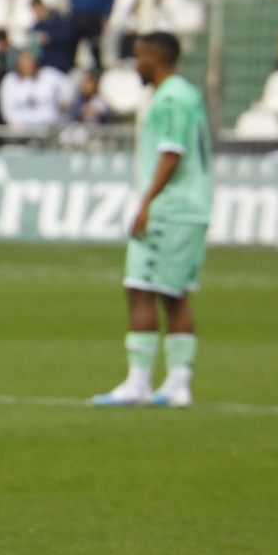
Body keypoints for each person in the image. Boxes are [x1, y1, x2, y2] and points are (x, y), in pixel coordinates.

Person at [93, 32, 211, 409]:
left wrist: (146, 202)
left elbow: (171, 153)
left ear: (157, 58)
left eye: (140, 57)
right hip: (188, 207)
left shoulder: (173, 97)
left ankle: (140, 383)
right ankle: (176, 383)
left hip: (171, 208)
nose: (136, 65)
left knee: (140, 288)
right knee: (173, 296)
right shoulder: (184, 94)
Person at [0, 49, 74, 130]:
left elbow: (68, 85)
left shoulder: (48, 74)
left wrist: (65, 99)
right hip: (23, 129)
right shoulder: (10, 80)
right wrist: (14, 122)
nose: (25, 64)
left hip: (50, 125)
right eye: (22, 60)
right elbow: (7, 107)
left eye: (28, 59)